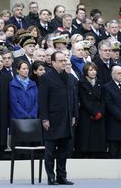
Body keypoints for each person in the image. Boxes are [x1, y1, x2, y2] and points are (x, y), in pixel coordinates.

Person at [39, 51, 77, 185]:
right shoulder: (46, 77)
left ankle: (62, 176)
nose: (64, 63)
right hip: (52, 119)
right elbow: (42, 100)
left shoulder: (69, 77)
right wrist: (44, 118)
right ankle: (51, 177)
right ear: (53, 62)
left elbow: (73, 98)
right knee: (50, 152)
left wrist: (73, 115)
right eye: (60, 61)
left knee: (64, 151)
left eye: (65, 60)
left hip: (67, 119)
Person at [75, 62, 106, 155]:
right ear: (86, 72)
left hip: (99, 114)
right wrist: (94, 113)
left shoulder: (100, 82)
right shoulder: (81, 83)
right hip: (87, 114)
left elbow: (103, 100)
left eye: (94, 70)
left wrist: (100, 112)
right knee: (86, 136)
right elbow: (84, 101)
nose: (93, 72)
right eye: (90, 70)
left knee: (98, 137)